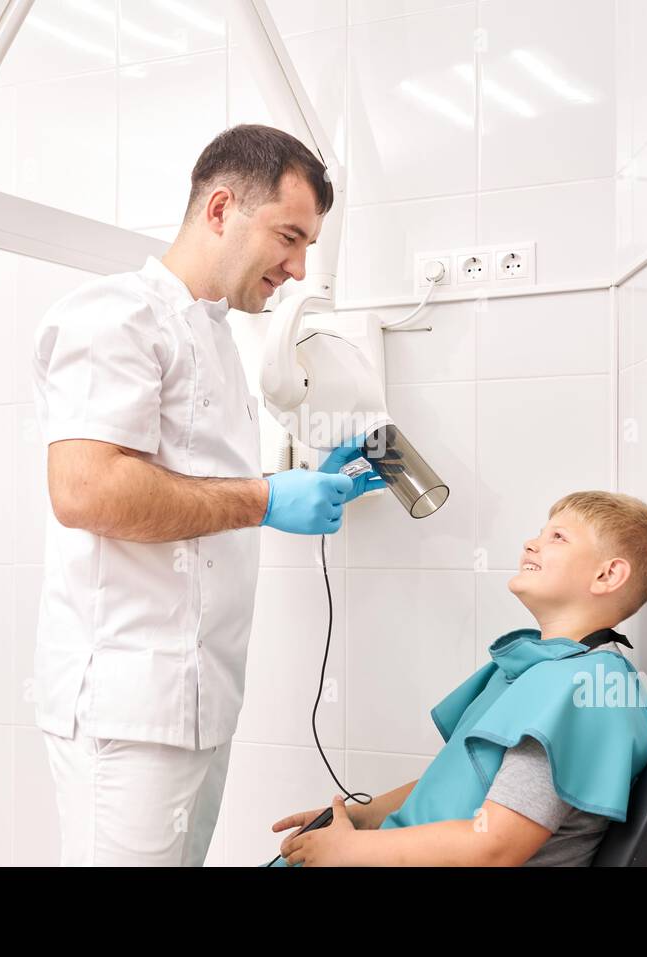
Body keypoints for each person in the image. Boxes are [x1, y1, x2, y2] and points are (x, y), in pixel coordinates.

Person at [30, 124, 383, 866]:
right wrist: (264, 498)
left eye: (309, 245)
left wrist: (311, 478)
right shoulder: (114, 315)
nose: (297, 266)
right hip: (128, 712)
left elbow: (194, 484)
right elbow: (87, 489)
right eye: (290, 236)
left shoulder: (219, 339)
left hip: (198, 705)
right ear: (221, 208)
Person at [269, 490, 647, 867]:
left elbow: (495, 845)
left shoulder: (582, 692)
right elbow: (468, 786)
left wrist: (354, 850)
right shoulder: (546, 668)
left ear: (607, 575)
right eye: (540, 534)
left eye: (558, 537)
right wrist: (365, 817)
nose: (530, 544)